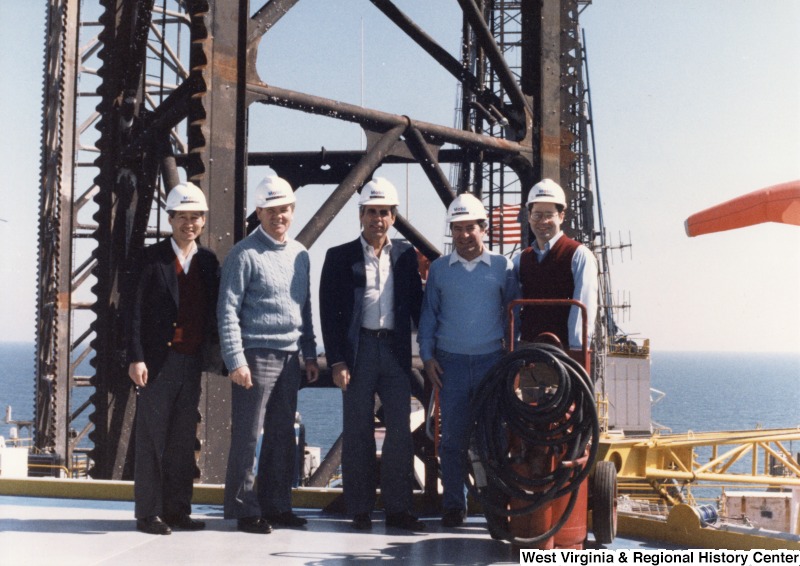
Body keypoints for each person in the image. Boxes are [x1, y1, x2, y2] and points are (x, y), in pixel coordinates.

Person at [319, 177, 425, 532]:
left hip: (395, 353)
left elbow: (418, 308)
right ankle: (359, 509)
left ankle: (398, 509)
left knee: (400, 432)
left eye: (384, 212)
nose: (377, 219)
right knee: (357, 431)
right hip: (358, 352)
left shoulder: (407, 257)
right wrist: (337, 361)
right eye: (371, 212)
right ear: (360, 215)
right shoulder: (339, 257)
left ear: (393, 217)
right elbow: (328, 313)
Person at [217, 175, 320, 534]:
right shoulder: (243, 254)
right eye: (272, 210)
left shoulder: (300, 255)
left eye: (285, 209)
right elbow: (227, 310)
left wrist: (309, 353)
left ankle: (278, 506)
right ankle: (245, 510)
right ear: (259, 211)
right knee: (248, 436)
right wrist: (236, 360)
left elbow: (303, 309)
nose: (280, 216)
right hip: (256, 355)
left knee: (280, 434)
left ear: (293, 211)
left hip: (290, 357)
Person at [417, 192, 519, 527]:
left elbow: (515, 317)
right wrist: (428, 357)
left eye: (469, 228)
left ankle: (496, 507)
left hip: (492, 363)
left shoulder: (504, 268)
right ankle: (454, 506)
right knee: (453, 440)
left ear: (483, 228)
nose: (463, 235)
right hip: (451, 365)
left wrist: (513, 360)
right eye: (457, 229)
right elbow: (428, 317)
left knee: (493, 438)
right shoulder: (441, 271)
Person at [125, 182, 219, 535]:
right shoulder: (151, 259)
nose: (189, 224)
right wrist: (136, 358)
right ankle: (148, 514)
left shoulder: (208, 262)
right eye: (183, 217)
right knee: (151, 440)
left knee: (182, 440)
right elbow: (132, 314)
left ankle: (178, 510)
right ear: (170, 219)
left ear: (203, 220)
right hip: (157, 364)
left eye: (196, 217)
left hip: (190, 362)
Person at [514, 178, 598, 352]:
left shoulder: (579, 256)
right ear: (529, 217)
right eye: (537, 215)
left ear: (561, 216)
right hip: (527, 353)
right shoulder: (521, 259)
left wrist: (576, 353)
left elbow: (583, 307)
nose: (543, 222)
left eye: (549, 215)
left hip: (564, 353)